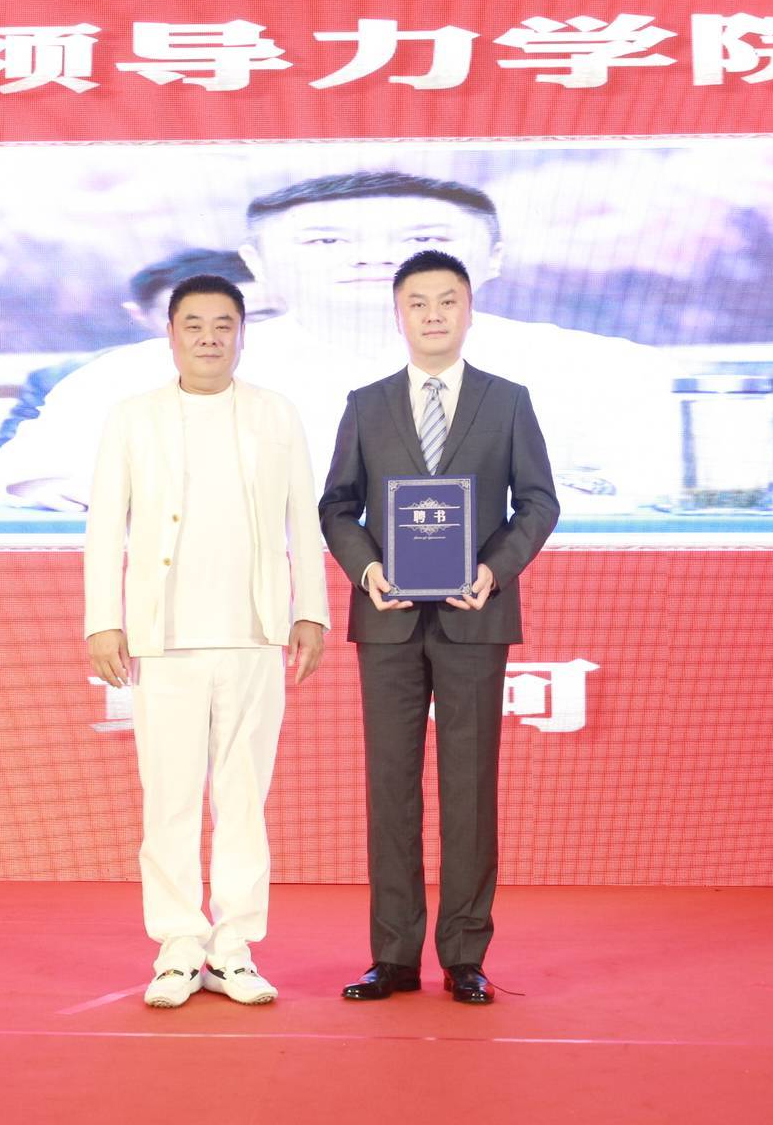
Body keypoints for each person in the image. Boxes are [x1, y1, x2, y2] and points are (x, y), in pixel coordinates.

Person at [0, 171, 677, 513]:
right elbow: (4, 485)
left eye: (423, 239)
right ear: (259, 266)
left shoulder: (601, 370)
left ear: (491, 259)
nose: (373, 258)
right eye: (326, 241)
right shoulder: (136, 375)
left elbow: (665, 500)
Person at [319, 250, 560, 1006]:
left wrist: (495, 569)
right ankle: (392, 956)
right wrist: (367, 569)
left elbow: (539, 502)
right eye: (417, 302)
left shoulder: (507, 401)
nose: (432, 314)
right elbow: (337, 506)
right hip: (387, 620)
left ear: (469, 310)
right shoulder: (366, 404)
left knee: (470, 788)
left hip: (474, 616)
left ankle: (464, 955)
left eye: (447, 300)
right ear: (398, 314)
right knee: (391, 788)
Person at [83, 273, 331, 1009]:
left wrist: (310, 611)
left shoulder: (275, 413)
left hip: (254, 633)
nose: (209, 338)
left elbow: (304, 519)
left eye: (224, 324)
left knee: (244, 796)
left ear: (243, 333)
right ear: (170, 334)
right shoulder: (132, 417)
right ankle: (178, 947)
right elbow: (105, 526)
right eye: (194, 324)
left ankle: (234, 948)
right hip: (164, 638)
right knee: (169, 796)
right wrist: (103, 619)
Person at [0, 249, 274, 487]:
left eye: (254, 318)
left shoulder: (294, 369)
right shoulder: (77, 379)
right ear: (141, 317)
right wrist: (32, 487)